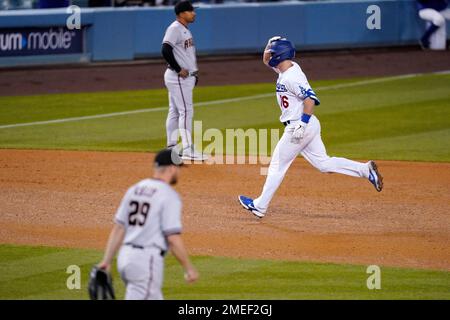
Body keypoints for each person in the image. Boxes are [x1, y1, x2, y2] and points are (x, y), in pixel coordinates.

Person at [238, 37, 383, 218]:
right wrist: (269, 43)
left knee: (277, 165)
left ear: (281, 55)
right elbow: (266, 60)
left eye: (274, 52)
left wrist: (302, 124)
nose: (270, 55)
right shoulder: (287, 67)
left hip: (300, 125)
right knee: (324, 164)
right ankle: (364, 170)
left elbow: (310, 100)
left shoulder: (292, 77)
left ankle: (260, 206)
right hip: (308, 125)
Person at [97, 148, 199, 300]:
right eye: (178, 168)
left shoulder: (135, 189)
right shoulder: (169, 195)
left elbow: (119, 228)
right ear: (171, 168)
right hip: (145, 262)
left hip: (125, 258)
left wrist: (106, 260)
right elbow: (172, 238)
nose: (179, 172)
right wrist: (189, 268)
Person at [161, 1, 207, 161]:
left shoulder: (184, 29)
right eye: (190, 11)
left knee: (174, 111)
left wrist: (194, 74)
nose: (194, 13)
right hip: (178, 77)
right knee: (186, 111)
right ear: (181, 14)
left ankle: (172, 148)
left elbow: (185, 55)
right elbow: (165, 49)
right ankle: (187, 148)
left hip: (183, 77)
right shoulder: (174, 28)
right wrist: (178, 69)